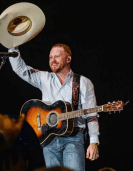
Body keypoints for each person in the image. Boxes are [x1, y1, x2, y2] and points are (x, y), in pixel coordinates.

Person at [8, 43, 100, 171]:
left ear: (68, 59)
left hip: (73, 139)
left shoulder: (83, 83)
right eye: (50, 57)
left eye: (57, 56)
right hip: (49, 140)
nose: (53, 60)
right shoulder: (44, 78)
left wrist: (93, 141)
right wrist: (12, 47)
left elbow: (91, 114)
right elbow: (20, 69)